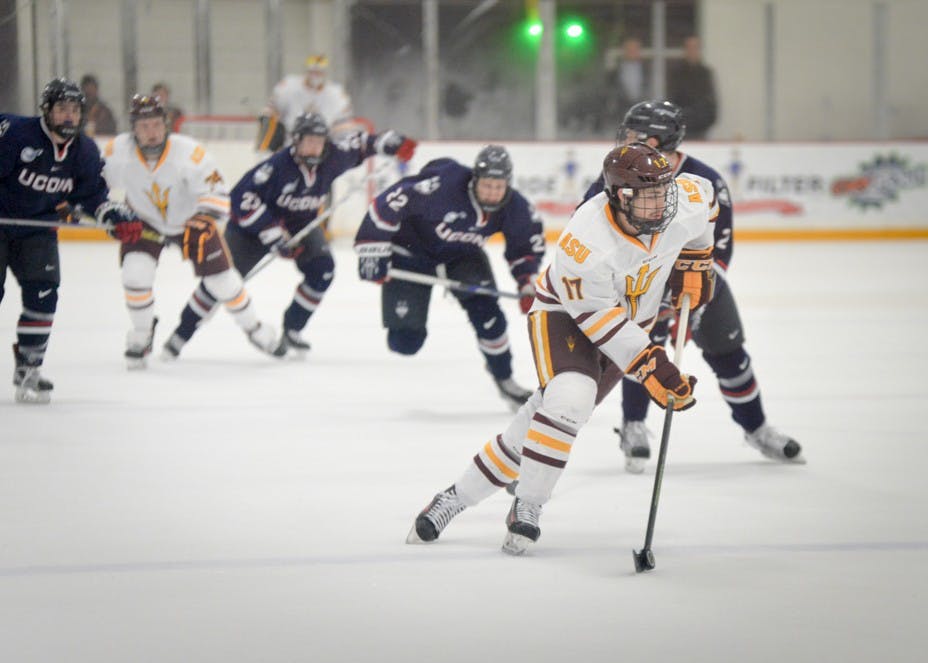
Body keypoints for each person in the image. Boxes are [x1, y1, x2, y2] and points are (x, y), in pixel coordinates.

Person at [406, 142, 717, 554]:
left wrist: (696, 261)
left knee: (547, 420)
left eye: (664, 193)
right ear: (620, 196)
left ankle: (454, 498)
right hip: (565, 315)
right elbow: (599, 319)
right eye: (648, 197)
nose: (661, 206)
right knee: (571, 398)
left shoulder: (683, 199)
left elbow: (706, 205)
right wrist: (651, 365)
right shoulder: (585, 239)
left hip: (629, 325)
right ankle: (528, 505)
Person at [582, 100, 803, 470]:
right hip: (642, 284)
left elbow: (721, 246)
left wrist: (696, 295)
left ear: (657, 139)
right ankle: (633, 425)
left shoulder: (705, 181)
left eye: (634, 133)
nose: (625, 140)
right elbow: (591, 228)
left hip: (701, 282)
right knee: (641, 353)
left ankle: (758, 429)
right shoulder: (618, 173)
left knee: (731, 356)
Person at [172, 112, 416, 355]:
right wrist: (273, 234)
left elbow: (361, 143)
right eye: (308, 141)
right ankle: (180, 336)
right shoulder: (275, 168)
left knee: (323, 270)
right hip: (250, 230)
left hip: (301, 224)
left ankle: (292, 330)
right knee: (221, 281)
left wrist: (392, 142)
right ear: (296, 141)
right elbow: (240, 199)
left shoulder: (333, 156)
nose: (314, 147)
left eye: (319, 141)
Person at [354, 144, 544, 411]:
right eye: (487, 185)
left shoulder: (515, 206)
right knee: (405, 343)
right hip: (410, 251)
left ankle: (505, 378)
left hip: (461, 256)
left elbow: (525, 248)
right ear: (474, 180)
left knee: (489, 316)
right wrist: (372, 250)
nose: (492, 192)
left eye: (499, 186)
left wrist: (527, 284)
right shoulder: (443, 185)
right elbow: (389, 202)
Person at [101, 94, 284, 367]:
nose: (151, 133)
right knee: (135, 275)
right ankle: (141, 334)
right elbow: (93, 186)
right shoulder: (118, 152)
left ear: (166, 124)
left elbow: (218, 192)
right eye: (144, 126)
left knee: (224, 282)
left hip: (190, 223)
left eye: (156, 125)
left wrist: (204, 218)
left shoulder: (189, 153)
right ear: (133, 128)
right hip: (145, 222)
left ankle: (256, 330)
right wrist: (81, 205)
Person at [0, 78, 136, 402]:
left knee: (44, 296)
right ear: (47, 110)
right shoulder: (15, 133)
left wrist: (114, 216)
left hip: (38, 229)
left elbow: (91, 196)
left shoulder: (84, 151)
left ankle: (29, 367)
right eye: (62, 108)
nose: (69, 116)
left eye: (74, 110)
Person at [257, 54, 353, 152]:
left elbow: (343, 126)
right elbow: (269, 114)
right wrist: (267, 141)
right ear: (306, 71)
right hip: (290, 145)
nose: (315, 75)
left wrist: (339, 149)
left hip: (321, 147)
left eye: (319, 72)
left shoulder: (336, 94)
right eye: (313, 71)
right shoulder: (288, 87)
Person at [667, 36, 717, 140]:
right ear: (685, 50)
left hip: (702, 127)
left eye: (695, 48)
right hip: (682, 127)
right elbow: (672, 99)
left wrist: (708, 119)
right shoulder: (676, 73)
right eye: (689, 48)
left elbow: (711, 101)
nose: (692, 51)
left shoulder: (705, 73)